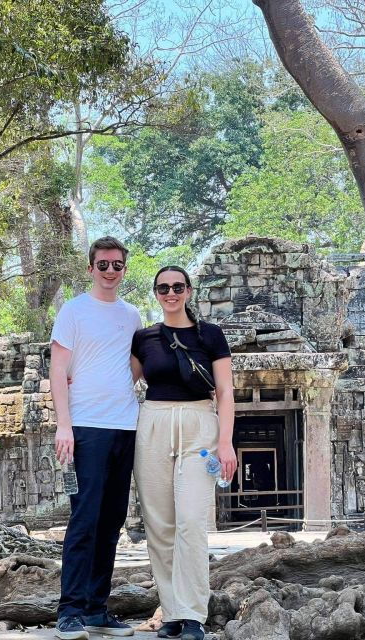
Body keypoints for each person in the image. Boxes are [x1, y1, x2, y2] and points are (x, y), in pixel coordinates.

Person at [130, 266, 237, 640]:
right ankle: (172, 611)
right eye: (163, 288)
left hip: (199, 425)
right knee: (160, 526)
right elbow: (122, 383)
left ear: (189, 291)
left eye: (177, 286)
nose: (170, 293)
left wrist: (226, 442)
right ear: (156, 293)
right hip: (154, 424)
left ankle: (193, 614)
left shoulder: (211, 335)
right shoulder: (144, 338)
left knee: (191, 522)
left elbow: (225, 391)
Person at [51, 236, 143, 639]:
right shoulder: (73, 311)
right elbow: (58, 370)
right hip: (86, 427)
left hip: (126, 425)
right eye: (103, 264)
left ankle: (96, 608)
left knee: (112, 521)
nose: (110, 271)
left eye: (117, 265)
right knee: (84, 519)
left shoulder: (133, 315)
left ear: (124, 269)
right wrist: (64, 424)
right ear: (91, 268)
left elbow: (135, 366)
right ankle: (68, 611)